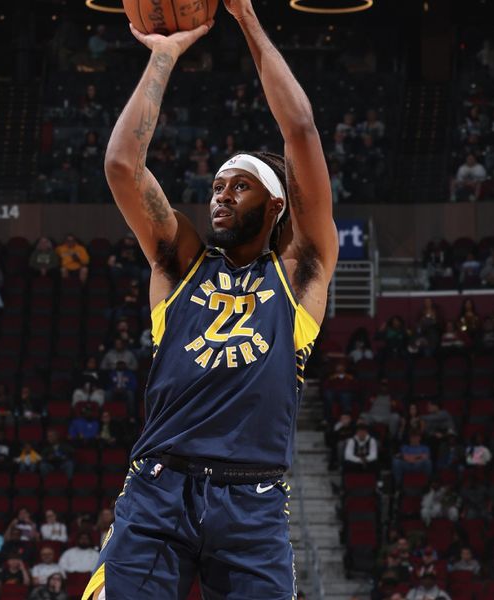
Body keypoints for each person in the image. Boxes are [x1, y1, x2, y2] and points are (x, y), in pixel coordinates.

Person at [83, 1, 339, 597]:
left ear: (276, 203)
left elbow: (299, 129)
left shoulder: (301, 273)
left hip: (251, 502)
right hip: (157, 490)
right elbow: (122, 165)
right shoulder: (180, 265)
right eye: (217, 185)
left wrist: (246, 18)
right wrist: (165, 57)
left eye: (239, 186)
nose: (220, 196)